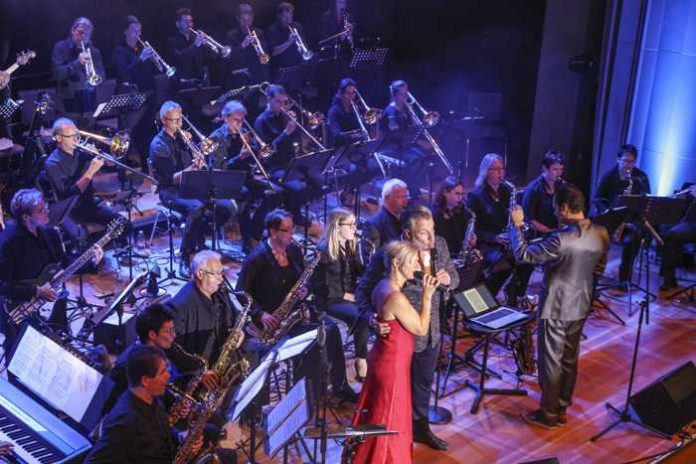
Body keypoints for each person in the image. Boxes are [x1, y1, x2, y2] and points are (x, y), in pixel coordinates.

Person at [355, 205, 458, 450]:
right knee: (396, 394)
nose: (431, 238)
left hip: (431, 331)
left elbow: (455, 276)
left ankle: (420, 430)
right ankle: (394, 440)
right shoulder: (388, 254)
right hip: (400, 339)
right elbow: (362, 292)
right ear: (407, 235)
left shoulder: (439, 245)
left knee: (423, 384)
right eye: (424, 233)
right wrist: (372, 319)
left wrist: (449, 280)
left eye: (432, 230)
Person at [510, 183, 609, 429]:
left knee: (551, 361)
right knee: (569, 359)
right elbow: (598, 269)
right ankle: (561, 407)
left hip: (556, 306)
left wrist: (516, 226)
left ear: (564, 208)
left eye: (556, 209)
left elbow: (523, 255)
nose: (555, 213)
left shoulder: (560, 240)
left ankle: (548, 414)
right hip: (582, 303)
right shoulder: (601, 233)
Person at [236, 209, 357, 402]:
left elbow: (304, 280)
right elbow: (241, 292)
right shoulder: (256, 258)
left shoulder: (293, 250)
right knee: (307, 345)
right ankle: (299, 397)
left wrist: (306, 290)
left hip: (296, 313)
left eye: (292, 229)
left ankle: (338, 385)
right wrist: (261, 314)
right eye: (286, 230)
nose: (292, 234)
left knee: (331, 331)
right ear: (273, 232)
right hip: (272, 321)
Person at [348, 241, 438, 464]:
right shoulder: (396, 298)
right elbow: (421, 328)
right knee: (388, 419)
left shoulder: (382, 285)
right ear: (397, 263)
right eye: (412, 261)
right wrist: (427, 296)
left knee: (379, 414)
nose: (417, 265)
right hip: (392, 369)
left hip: (384, 359)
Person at [148, 101, 235, 277]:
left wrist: (199, 158)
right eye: (175, 120)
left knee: (228, 207)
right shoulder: (158, 145)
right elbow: (168, 178)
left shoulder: (184, 138)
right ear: (165, 121)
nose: (179, 124)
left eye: (181, 119)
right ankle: (185, 256)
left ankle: (198, 238)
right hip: (170, 191)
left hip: (192, 185)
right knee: (197, 208)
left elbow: (197, 165)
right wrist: (191, 169)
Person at [84, 345, 186, 463]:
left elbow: (160, 429)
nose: (168, 376)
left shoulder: (151, 398)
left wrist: (179, 436)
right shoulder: (125, 422)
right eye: (163, 372)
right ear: (145, 380)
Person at [0, 189, 68, 357]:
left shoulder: (50, 233)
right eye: (40, 210)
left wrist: (92, 261)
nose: (47, 211)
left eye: (45, 206)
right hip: (18, 306)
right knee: (22, 354)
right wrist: (36, 291)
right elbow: (3, 285)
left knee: (54, 346)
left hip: (49, 301)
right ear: (26, 217)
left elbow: (64, 263)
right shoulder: (7, 242)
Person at [43, 118, 124, 246]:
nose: (76, 139)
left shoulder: (82, 152)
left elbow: (112, 164)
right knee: (81, 238)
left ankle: (112, 255)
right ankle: (93, 259)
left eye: (77, 135)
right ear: (58, 138)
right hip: (69, 209)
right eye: (71, 136)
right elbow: (69, 193)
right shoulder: (52, 163)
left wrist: (102, 154)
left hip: (89, 203)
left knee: (122, 224)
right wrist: (90, 172)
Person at [467, 153, 533, 304]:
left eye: (501, 169)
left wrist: (518, 225)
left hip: (506, 241)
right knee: (505, 265)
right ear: (485, 171)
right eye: (495, 169)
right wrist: (495, 237)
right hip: (486, 244)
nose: (500, 173)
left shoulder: (508, 191)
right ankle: (484, 302)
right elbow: (472, 229)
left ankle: (515, 296)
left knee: (528, 261)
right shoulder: (475, 195)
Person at [312, 207, 370, 381]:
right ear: (337, 227)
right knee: (362, 317)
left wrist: (367, 258)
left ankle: (364, 356)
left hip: (348, 296)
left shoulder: (349, 245)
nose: (355, 229)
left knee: (373, 311)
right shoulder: (323, 251)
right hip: (330, 300)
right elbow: (322, 288)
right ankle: (361, 360)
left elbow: (360, 272)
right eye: (351, 225)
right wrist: (349, 297)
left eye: (355, 224)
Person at [254, 84, 323, 224]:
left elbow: (297, 139)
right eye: (278, 102)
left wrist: (294, 124)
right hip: (272, 167)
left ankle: (293, 210)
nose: (282, 105)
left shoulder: (283, 117)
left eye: (284, 102)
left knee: (318, 182)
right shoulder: (261, 121)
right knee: (300, 188)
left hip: (290, 162)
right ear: (269, 100)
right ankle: (293, 215)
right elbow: (266, 152)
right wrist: (285, 132)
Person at [165, 250, 243, 363]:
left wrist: (239, 332)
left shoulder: (220, 291)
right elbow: (173, 351)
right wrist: (199, 372)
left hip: (223, 355)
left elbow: (235, 316)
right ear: (200, 274)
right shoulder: (180, 306)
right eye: (217, 273)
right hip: (199, 370)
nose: (221, 279)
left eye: (221, 273)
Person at [593, 144, 651, 284]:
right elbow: (598, 199)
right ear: (618, 159)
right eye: (625, 161)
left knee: (634, 239)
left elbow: (647, 200)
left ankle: (624, 278)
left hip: (630, 221)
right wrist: (607, 213)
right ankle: (594, 276)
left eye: (631, 162)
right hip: (611, 219)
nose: (628, 165)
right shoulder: (609, 176)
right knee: (599, 239)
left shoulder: (641, 177)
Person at [112, 15, 159, 168]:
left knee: (147, 133)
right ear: (125, 31)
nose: (137, 34)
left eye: (139, 30)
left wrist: (154, 59)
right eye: (133, 30)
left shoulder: (141, 48)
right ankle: (123, 174)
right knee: (129, 136)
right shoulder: (120, 50)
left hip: (147, 95)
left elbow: (149, 74)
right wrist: (141, 58)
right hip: (130, 99)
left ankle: (148, 169)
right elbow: (124, 73)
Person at [326, 78, 381, 205]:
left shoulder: (355, 109)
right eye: (348, 93)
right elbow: (336, 135)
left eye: (353, 93)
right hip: (340, 152)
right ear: (340, 94)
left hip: (355, 149)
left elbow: (366, 127)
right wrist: (355, 136)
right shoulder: (334, 111)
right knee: (356, 170)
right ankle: (348, 192)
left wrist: (374, 119)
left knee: (374, 167)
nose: (351, 96)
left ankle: (349, 190)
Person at [380, 80, 432, 199]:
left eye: (406, 93)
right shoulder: (390, 111)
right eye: (402, 94)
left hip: (406, 146)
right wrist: (421, 143)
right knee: (415, 159)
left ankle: (413, 189)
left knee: (424, 157)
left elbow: (413, 129)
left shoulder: (406, 109)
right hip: (392, 147)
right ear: (395, 95)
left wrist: (421, 123)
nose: (405, 97)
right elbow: (397, 135)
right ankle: (411, 192)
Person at [51, 17, 104, 126]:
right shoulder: (61, 47)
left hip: (89, 106)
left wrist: (97, 80)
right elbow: (56, 74)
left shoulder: (94, 51)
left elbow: (102, 75)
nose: (83, 36)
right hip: (68, 107)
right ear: (72, 31)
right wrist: (77, 63)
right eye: (80, 32)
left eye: (87, 34)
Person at [224, 3, 271, 88]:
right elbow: (229, 59)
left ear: (252, 19)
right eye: (243, 20)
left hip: (258, 79)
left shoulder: (259, 33)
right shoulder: (231, 36)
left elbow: (266, 61)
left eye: (248, 20)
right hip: (240, 80)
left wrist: (259, 47)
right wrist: (243, 45)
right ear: (238, 19)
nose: (246, 23)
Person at [659, 183, 696, 291]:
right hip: (689, 223)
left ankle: (670, 276)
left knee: (671, 236)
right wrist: (681, 199)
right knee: (667, 235)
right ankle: (669, 277)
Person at [521, 150, 565, 238]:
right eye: (555, 169)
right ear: (545, 168)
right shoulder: (533, 189)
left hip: (557, 234)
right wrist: (551, 232)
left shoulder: (561, 185)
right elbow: (530, 220)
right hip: (540, 236)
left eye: (561, 169)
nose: (559, 174)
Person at [362, 178, 409, 255]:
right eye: (400, 197)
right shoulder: (372, 224)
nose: (405, 201)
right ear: (387, 198)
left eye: (405, 196)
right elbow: (370, 260)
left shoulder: (409, 219)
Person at [432, 176, 476, 257]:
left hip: (458, 258)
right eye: (457, 193)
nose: (460, 198)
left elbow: (464, 239)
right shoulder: (434, 215)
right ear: (445, 193)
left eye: (462, 194)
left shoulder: (463, 213)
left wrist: (472, 241)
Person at [167, 8, 207, 87]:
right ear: (178, 24)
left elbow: (209, 59)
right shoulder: (172, 41)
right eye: (185, 21)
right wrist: (195, 46)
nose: (189, 24)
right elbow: (179, 59)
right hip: (183, 84)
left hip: (201, 82)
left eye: (190, 21)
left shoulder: (196, 37)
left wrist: (206, 45)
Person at [266, 2, 310, 75]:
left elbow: (304, 45)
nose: (289, 21)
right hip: (281, 70)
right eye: (285, 18)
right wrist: (289, 42)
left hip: (298, 66)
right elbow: (273, 52)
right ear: (278, 16)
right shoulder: (271, 31)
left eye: (290, 17)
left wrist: (303, 49)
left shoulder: (297, 26)